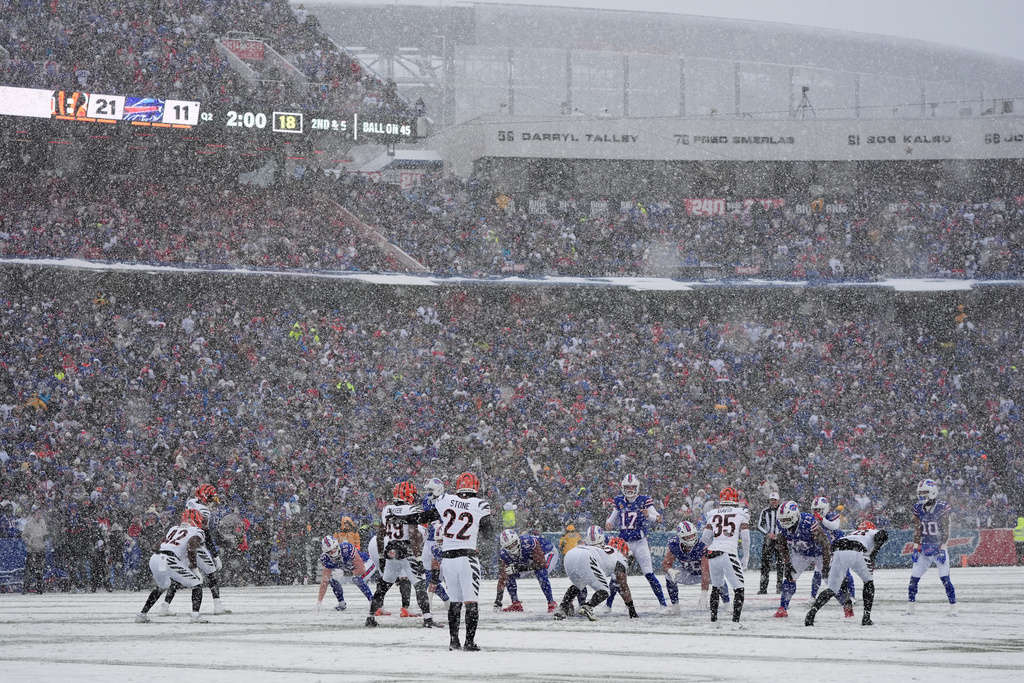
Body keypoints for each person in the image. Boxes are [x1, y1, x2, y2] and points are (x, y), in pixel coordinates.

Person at [387, 471, 492, 651]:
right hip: (467, 557)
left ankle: (453, 640)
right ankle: (469, 642)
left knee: (455, 601)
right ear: (475, 486)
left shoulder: (446, 500)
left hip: (448, 558)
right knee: (471, 602)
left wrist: (401, 518)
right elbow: (488, 533)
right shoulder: (480, 504)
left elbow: (423, 518)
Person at [365, 481, 435, 629]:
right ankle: (428, 619)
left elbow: (380, 535)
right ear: (408, 494)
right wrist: (418, 558)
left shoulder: (387, 509)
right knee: (419, 584)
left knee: (383, 586)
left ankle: (370, 616)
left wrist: (382, 556)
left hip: (390, 549)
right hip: (406, 550)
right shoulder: (411, 509)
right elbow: (413, 534)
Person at [158, 484, 229, 615]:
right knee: (212, 574)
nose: (213, 501)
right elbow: (206, 534)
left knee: (177, 577)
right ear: (204, 496)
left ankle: (164, 607)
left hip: (183, 544)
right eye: (211, 497)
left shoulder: (190, 502)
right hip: (196, 544)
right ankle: (217, 606)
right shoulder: (204, 511)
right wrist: (215, 554)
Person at [806, 521, 887, 626]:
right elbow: (883, 534)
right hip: (856, 548)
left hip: (838, 549)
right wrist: (874, 555)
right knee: (868, 582)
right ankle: (866, 617)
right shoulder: (872, 532)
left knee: (832, 589)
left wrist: (845, 594)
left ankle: (811, 613)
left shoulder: (852, 534)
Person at [604, 473, 667, 610]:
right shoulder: (619, 501)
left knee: (648, 573)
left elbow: (659, 519)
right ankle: (608, 605)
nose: (630, 489)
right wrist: (608, 523)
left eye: (632, 487)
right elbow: (611, 519)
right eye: (627, 487)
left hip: (640, 542)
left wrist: (648, 515)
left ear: (637, 487)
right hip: (623, 544)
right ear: (622, 487)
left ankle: (663, 604)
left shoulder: (644, 500)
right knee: (616, 576)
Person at [136, 509, 206, 624]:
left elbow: (155, 546)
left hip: (156, 557)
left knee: (162, 586)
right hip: (169, 558)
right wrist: (194, 568)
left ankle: (142, 614)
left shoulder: (174, 529)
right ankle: (195, 616)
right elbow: (191, 547)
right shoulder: (197, 531)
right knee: (196, 584)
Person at [554, 526, 638, 621]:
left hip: (570, 554)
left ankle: (562, 608)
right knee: (605, 590)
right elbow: (623, 584)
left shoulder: (600, 548)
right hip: (587, 556)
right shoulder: (619, 557)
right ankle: (588, 607)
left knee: (578, 584)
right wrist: (632, 609)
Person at [774, 500, 838, 619]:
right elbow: (781, 543)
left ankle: (847, 606)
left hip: (819, 552)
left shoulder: (807, 521)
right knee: (790, 577)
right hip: (801, 553)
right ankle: (783, 608)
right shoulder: (780, 524)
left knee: (832, 580)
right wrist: (787, 562)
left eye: (786, 519)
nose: (783, 522)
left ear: (794, 516)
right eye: (782, 519)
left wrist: (825, 566)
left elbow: (826, 544)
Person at [699, 487, 750, 627]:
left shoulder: (713, 513)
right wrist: (746, 555)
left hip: (713, 553)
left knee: (716, 587)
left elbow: (705, 537)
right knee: (739, 589)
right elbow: (745, 537)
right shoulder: (741, 513)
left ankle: (714, 621)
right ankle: (735, 622)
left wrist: (714, 544)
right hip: (729, 552)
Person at [907, 479, 957, 616]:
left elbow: (946, 529)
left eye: (925, 492)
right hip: (925, 547)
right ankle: (910, 608)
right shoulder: (917, 507)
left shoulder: (942, 507)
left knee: (945, 579)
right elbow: (917, 529)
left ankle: (953, 608)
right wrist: (916, 547)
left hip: (939, 546)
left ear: (933, 492)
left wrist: (943, 547)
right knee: (913, 580)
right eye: (920, 492)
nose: (922, 494)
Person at [661, 520, 728, 614]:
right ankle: (675, 607)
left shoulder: (701, 545)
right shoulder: (675, 544)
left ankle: (728, 606)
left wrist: (704, 593)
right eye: (688, 536)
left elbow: (706, 571)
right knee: (669, 577)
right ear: (681, 537)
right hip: (688, 573)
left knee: (719, 578)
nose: (691, 538)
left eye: (692, 535)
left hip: (704, 574)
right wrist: (671, 571)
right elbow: (665, 564)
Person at [494, 529, 559, 613]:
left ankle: (551, 603)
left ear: (518, 540)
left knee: (540, 572)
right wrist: (498, 599)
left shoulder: (527, 542)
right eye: (508, 546)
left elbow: (541, 564)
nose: (512, 547)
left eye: (513, 543)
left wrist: (519, 568)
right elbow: (503, 576)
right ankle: (516, 604)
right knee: (509, 574)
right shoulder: (504, 553)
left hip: (547, 553)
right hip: (529, 560)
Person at [811, 495, 856, 603]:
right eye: (815, 510)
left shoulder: (832, 516)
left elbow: (834, 526)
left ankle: (852, 596)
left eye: (818, 510)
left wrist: (822, 519)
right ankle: (812, 596)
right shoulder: (812, 520)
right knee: (818, 571)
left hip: (839, 546)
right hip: (826, 549)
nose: (816, 512)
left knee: (844, 571)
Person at [314, 536, 375, 611]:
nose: (333, 552)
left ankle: (373, 602)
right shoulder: (325, 558)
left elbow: (362, 570)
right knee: (333, 580)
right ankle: (341, 604)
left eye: (334, 549)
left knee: (356, 579)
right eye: (329, 551)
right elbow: (325, 580)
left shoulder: (347, 549)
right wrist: (319, 601)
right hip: (349, 570)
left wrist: (345, 573)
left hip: (366, 564)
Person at [757, 491, 783, 594]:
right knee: (765, 565)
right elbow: (759, 526)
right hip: (768, 540)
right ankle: (763, 588)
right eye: (771, 500)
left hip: (780, 540)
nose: (773, 502)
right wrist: (768, 533)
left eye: (774, 500)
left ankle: (779, 587)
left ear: (778, 500)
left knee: (780, 565)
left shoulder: (782, 511)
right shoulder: (765, 512)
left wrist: (781, 534)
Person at [22, 505, 49, 594]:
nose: (39, 514)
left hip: (40, 549)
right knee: (29, 570)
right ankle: (26, 588)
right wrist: (30, 543)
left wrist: (45, 539)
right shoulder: (29, 523)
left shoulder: (43, 522)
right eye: (38, 512)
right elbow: (24, 535)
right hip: (32, 550)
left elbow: (45, 533)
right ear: (34, 513)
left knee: (39, 570)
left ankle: (39, 588)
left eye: (40, 513)